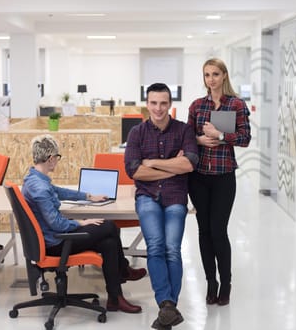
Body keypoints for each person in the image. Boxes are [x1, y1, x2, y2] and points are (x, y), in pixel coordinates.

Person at [22, 134, 147, 314]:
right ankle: (124, 270)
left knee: (109, 243)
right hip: (56, 243)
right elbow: (56, 224)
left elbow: (59, 191)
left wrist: (88, 196)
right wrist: (81, 222)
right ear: (50, 159)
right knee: (110, 226)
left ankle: (115, 299)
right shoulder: (40, 188)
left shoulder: (34, 179)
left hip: (52, 239)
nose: (57, 162)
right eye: (57, 158)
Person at [124, 83, 198, 330]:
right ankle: (167, 305)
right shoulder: (137, 133)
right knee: (155, 246)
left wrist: (153, 163)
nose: (158, 108)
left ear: (170, 104)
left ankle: (168, 307)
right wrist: (171, 165)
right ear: (147, 104)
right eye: (154, 103)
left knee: (171, 248)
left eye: (163, 103)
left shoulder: (184, 131)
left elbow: (189, 165)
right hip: (146, 197)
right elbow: (134, 170)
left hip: (176, 197)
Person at [187, 58, 251, 306]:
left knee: (218, 231)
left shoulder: (236, 104)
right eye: (206, 75)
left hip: (224, 176)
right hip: (199, 176)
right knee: (204, 231)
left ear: (224, 76)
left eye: (215, 74)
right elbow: (187, 138)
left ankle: (226, 284)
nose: (210, 79)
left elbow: (245, 138)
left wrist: (220, 135)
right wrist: (200, 140)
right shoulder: (196, 105)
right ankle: (210, 283)